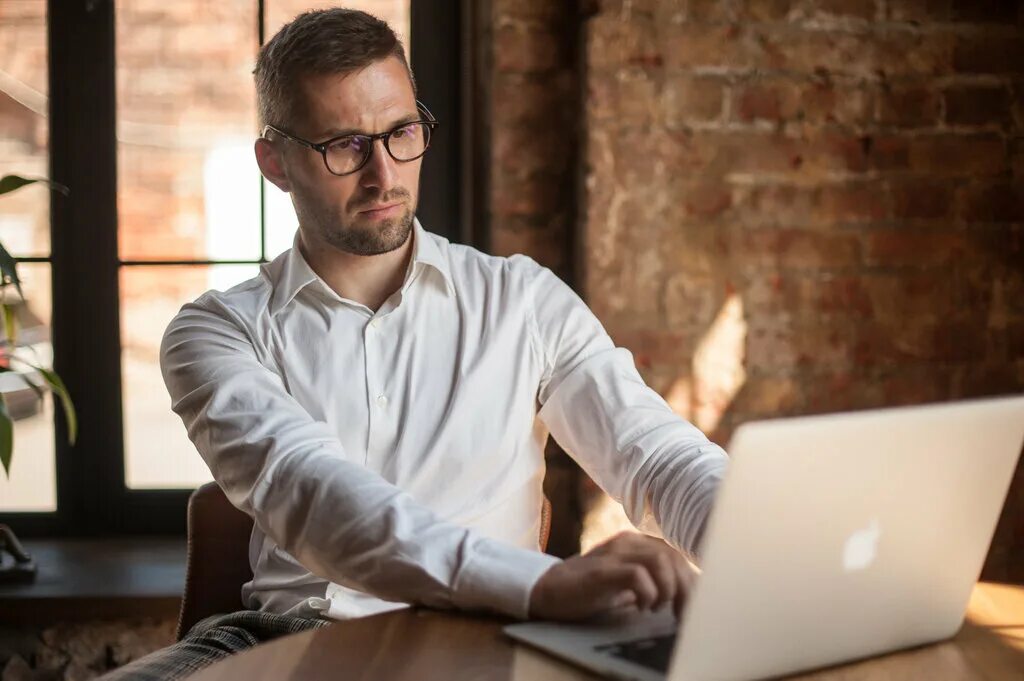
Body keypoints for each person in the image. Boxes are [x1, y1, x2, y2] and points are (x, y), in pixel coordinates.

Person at [102, 7, 728, 680]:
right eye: (344, 146)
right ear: (275, 163)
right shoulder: (216, 332)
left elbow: (657, 456)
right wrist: (545, 584)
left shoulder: (523, 300)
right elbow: (312, 491)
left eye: (401, 132)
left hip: (488, 638)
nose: (384, 175)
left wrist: (762, 553)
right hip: (280, 638)